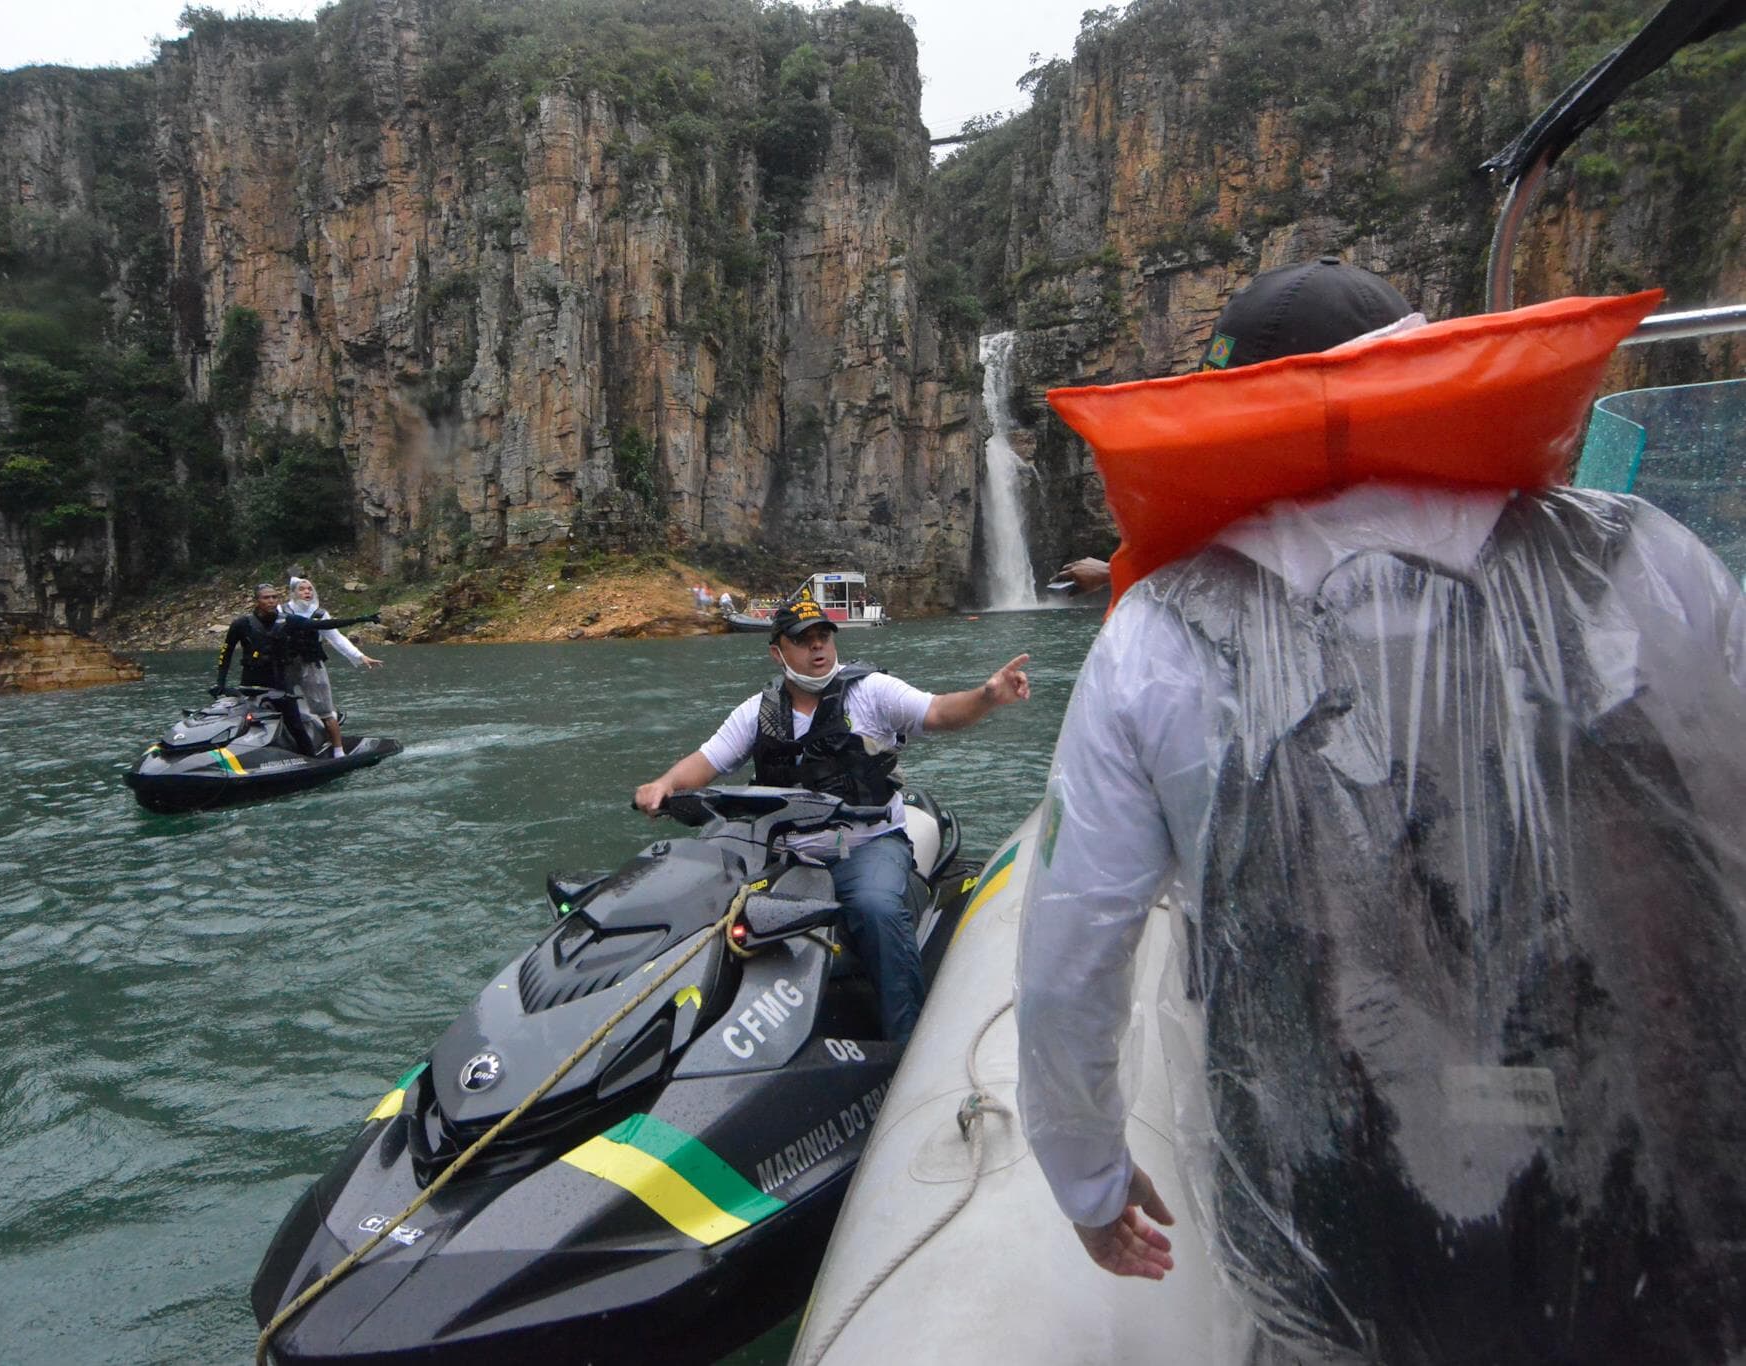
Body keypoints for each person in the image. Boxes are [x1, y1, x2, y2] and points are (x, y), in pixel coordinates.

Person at [1015, 259, 1746, 1358]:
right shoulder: (1640, 551)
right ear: (1420, 361)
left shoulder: (1158, 637)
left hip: (1341, 1187)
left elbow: (1071, 951)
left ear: (1224, 412)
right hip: (1650, 1144)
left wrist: (1086, 1172)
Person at [636, 597, 1032, 1042]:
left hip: (868, 845)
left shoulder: (872, 691)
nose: (818, 647)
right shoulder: (759, 712)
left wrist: (988, 696)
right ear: (778, 652)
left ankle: (905, 1041)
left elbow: (937, 712)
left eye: (823, 636)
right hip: (791, 855)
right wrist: (665, 785)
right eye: (803, 640)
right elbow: (709, 760)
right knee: (722, 911)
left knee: (877, 910)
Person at [214, 583, 380, 757]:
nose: (271, 601)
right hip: (250, 680)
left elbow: (324, 625)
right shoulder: (241, 624)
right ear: (257, 601)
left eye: (274, 597)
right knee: (246, 721)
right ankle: (237, 756)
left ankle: (311, 758)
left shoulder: (288, 620)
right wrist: (220, 682)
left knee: (295, 724)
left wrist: (360, 619)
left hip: (279, 681)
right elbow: (226, 654)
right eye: (266, 598)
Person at [281, 575, 382, 759]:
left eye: (309, 589)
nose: (307, 592)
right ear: (293, 592)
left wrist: (360, 656)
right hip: (286, 664)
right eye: (302, 589)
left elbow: (336, 638)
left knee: (326, 710)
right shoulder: (282, 611)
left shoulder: (320, 614)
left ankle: (338, 750)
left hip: (311, 664)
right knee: (283, 704)